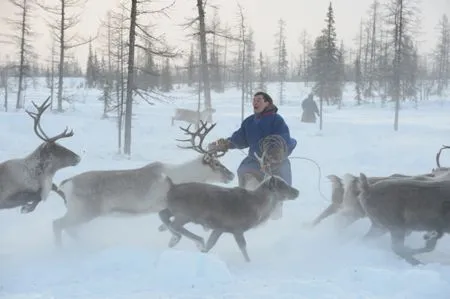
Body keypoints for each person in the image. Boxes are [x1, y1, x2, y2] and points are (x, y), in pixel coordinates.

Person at [208, 91, 297, 219]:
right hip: (254, 162)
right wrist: (223, 144)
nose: (255, 103)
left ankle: (275, 221)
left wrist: (275, 152)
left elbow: (283, 138)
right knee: (247, 184)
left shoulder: (277, 120)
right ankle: (248, 216)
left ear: (267, 103)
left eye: (259, 100)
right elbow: (239, 139)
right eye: (254, 100)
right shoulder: (249, 122)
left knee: (276, 193)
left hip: (275, 162)